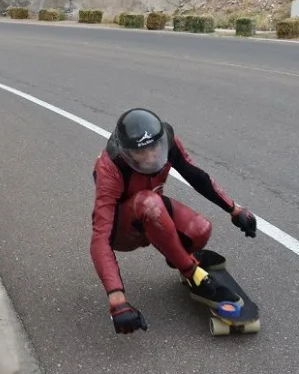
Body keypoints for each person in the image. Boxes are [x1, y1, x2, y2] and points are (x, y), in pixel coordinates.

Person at [90, 108, 257, 334]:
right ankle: (193, 274)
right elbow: (100, 237)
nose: (151, 157)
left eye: (154, 149)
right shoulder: (110, 167)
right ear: (126, 152)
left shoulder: (168, 142)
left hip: (154, 210)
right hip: (125, 230)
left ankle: (179, 257)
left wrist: (235, 209)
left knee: (200, 230)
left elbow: (196, 175)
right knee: (150, 203)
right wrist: (117, 299)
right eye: (141, 153)